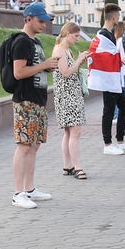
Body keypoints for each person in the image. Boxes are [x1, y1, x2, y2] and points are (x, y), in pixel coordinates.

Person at [9, 2, 60, 208]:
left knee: (34, 145)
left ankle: (29, 188)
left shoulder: (36, 42)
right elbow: (18, 72)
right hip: (25, 100)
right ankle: (18, 192)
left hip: (37, 99)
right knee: (24, 145)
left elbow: (34, 68)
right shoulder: (21, 41)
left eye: (45, 21)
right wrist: (44, 65)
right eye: (40, 21)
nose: (44, 25)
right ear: (28, 19)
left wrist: (46, 67)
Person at [87, 3, 125, 155]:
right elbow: (98, 54)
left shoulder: (109, 34)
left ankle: (119, 140)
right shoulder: (103, 35)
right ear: (113, 17)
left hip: (113, 79)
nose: (119, 19)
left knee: (123, 108)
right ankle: (107, 143)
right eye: (118, 16)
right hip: (108, 79)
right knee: (109, 110)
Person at [50, 21, 90, 180]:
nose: (77, 39)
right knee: (75, 132)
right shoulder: (60, 50)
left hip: (69, 94)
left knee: (69, 132)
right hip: (67, 95)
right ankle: (77, 167)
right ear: (67, 34)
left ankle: (68, 165)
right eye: (76, 35)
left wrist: (80, 61)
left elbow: (70, 70)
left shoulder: (64, 50)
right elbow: (66, 72)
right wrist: (79, 59)